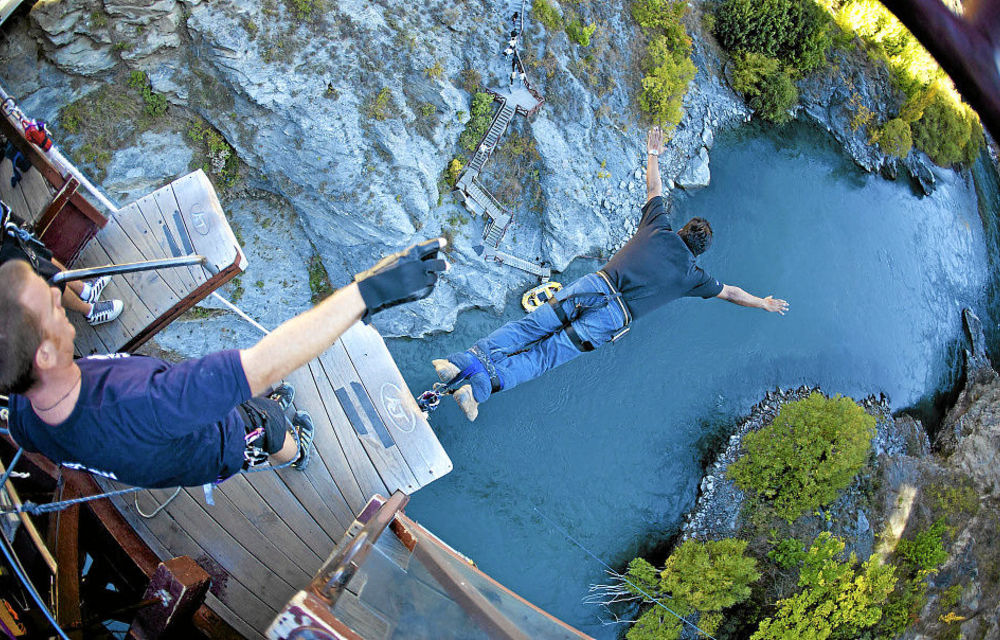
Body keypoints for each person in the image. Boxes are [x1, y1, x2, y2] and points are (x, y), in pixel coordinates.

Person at [0, 238, 447, 488]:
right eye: (48, 303)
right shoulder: (145, 403)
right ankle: (297, 452)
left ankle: (271, 422)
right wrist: (368, 292)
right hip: (218, 445)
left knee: (249, 395)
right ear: (42, 355)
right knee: (269, 420)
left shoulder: (24, 415)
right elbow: (266, 362)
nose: (59, 296)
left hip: (166, 445)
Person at [434, 127, 789, 420]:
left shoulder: (658, 226)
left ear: (682, 230)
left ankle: (463, 363)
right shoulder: (693, 276)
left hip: (594, 286)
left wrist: (652, 154)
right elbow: (731, 293)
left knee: (529, 328)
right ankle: (478, 388)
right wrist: (763, 303)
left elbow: (654, 189)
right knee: (543, 355)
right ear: (699, 251)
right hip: (611, 318)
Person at [2, 200, 123, 326]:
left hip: (5, 219)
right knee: (44, 277)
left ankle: (86, 291)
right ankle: (89, 311)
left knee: (40, 253)